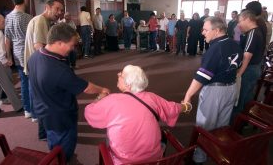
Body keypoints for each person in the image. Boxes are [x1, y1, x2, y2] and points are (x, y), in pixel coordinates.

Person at [28, 23, 110, 163]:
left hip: (43, 107)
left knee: (52, 137)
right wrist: (102, 90)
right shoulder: (57, 69)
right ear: (59, 43)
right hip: (60, 115)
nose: (73, 49)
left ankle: (57, 155)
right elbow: (86, 88)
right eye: (71, 45)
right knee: (63, 143)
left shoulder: (36, 55)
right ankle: (62, 159)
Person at [85, 64, 191, 165]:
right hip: (153, 160)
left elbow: (89, 112)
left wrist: (101, 96)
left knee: (109, 135)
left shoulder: (112, 100)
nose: (118, 74)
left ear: (128, 84)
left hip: (125, 161)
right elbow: (173, 108)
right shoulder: (152, 97)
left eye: (121, 74)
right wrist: (187, 107)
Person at [182, 17, 243, 164]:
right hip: (231, 88)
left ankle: (199, 158)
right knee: (221, 125)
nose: (203, 33)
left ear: (216, 31)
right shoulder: (234, 44)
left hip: (215, 92)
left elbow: (201, 78)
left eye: (205, 29)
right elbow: (239, 65)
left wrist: (188, 96)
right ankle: (215, 152)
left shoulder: (216, 49)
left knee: (205, 126)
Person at [24, 0, 63, 140]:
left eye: (61, 10)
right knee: (45, 100)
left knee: (41, 98)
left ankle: (43, 128)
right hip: (40, 67)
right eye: (57, 9)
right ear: (47, 7)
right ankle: (44, 132)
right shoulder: (40, 20)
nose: (59, 13)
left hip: (37, 66)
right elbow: (39, 46)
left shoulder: (45, 22)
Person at [230, 10, 265, 122]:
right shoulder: (257, 31)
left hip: (249, 69)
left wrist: (239, 74)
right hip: (255, 68)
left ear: (247, 19)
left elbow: (247, 56)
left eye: (240, 21)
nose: (239, 24)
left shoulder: (253, 33)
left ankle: (233, 125)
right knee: (247, 97)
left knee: (239, 99)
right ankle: (244, 122)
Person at [5, 0, 33, 119]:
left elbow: (7, 39)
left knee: (23, 82)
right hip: (28, 52)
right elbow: (33, 38)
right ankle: (34, 112)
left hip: (16, 53)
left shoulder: (8, 17)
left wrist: (8, 56)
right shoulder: (28, 18)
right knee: (32, 82)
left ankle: (27, 109)